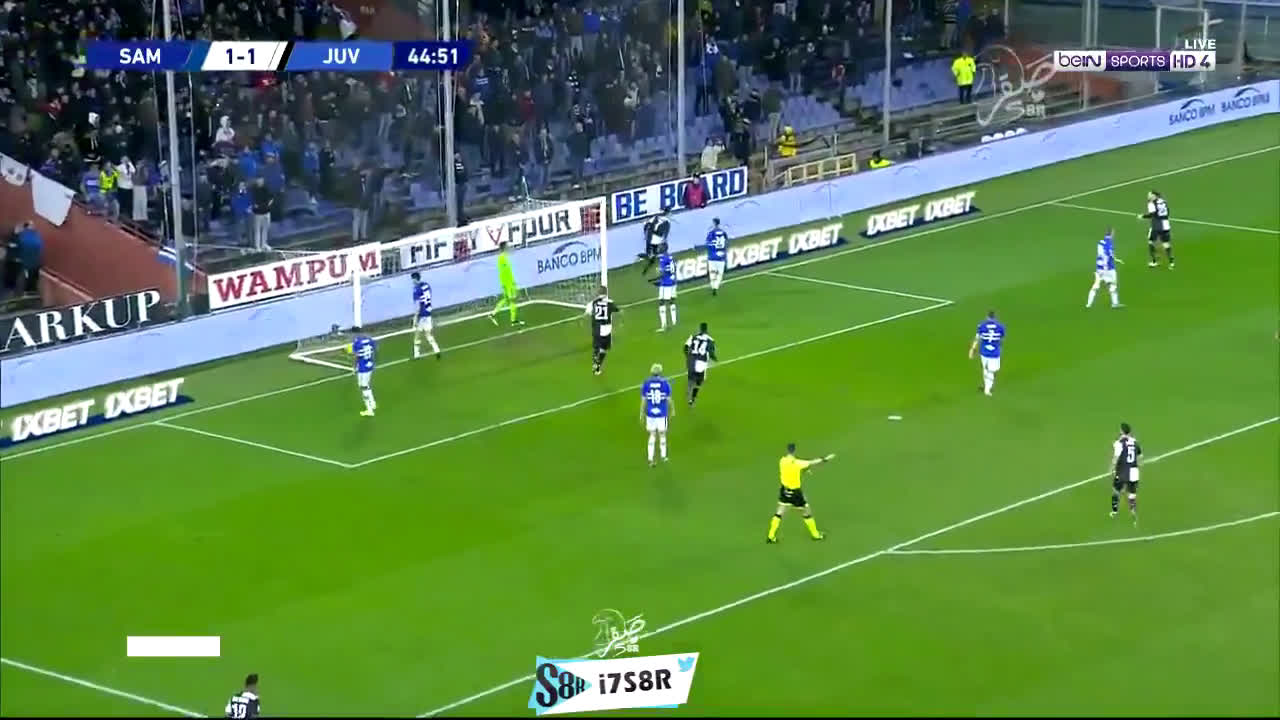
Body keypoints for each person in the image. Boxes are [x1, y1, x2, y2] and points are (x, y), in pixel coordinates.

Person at [767, 443, 834, 543]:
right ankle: (815, 535)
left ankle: (771, 536)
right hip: (795, 493)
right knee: (807, 512)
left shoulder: (782, 461)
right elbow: (812, 462)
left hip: (784, 490)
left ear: (787, 450)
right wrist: (825, 459)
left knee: (779, 512)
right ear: (794, 451)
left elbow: (793, 470)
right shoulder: (798, 463)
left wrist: (805, 470)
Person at [640, 363, 673, 466]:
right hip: (662, 413)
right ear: (660, 372)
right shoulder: (665, 383)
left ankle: (650, 458)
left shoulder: (646, 383)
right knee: (662, 434)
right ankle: (664, 456)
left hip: (650, 414)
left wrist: (641, 413)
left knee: (652, 434)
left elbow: (643, 400)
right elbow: (669, 399)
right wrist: (672, 409)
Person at [968, 310, 1005, 397]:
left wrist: (972, 349)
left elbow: (977, 339)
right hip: (995, 352)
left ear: (987, 317)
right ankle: (987, 389)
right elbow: (1001, 339)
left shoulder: (981, 326)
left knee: (986, 369)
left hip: (984, 351)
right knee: (992, 371)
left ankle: (987, 386)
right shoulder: (1001, 327)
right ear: (995, 317)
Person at [1111, 422, 1142, 523]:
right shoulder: (1135, 441)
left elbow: (1116, 458)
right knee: (1132, 494)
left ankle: (1114, 511)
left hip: (1122, 471)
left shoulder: (1119, 443)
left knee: (1116, 491)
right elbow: (1140, 456)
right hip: (1134, 471)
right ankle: (1133, 512)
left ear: (1121, 431)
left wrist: (1112, 468)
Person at [586, 284, 620, 375]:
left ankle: (595, 364)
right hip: (606, 329)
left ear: (598, 293)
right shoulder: (610, 302)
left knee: (596, 348)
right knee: (603, 349)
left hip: (596, 328)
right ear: (606, 293)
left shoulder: (592, 303)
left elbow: (588, 313)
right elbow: (617, 310)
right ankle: (598, 366)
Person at [489, 241, 524, 326]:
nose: (509, 248)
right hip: (508, 283)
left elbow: (505, 271)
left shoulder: (502, 257)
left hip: (506, 282)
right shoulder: (502, 258)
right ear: (504, 248)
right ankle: (513, 320)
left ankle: (493, 314)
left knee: (506, 300)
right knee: (512, 300)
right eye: (508, 246)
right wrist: (510, 283)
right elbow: (505, 272)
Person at [1087, 227, 1122, 309]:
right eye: (1113, 233)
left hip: (1099, 268)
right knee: (1113, 285)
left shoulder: (1100, 242)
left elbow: (1102, 255)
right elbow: (1107, 255)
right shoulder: (1109, 244)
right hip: (1108, 269)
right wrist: (1106, 268)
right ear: (1111, 233)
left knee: (1095, 286)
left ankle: (1088, 304)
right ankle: (1115, 303)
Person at [684, 322, 717, 406]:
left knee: (691, 378)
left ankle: (689, 389)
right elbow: (711, 352)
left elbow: (685, 347)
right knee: (699, 382)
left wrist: (688, 356)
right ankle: (692, 399)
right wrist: (715, 359)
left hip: (691, 360)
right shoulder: (710, 340)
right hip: (701, 362)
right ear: (706, 329)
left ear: (700, 329)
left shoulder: (693, 337)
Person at [411, 271, 442, 360]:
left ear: (415, 279)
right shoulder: (426, 285)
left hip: (421, 315)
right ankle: (437, 350)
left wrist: (415, 317)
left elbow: (417, 305)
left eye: (412, 279)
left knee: (417, 335)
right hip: (428, 312)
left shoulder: (416, 289)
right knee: (428, 334)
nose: (412, 281)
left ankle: (416, 355)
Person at [1140, 190, 1174, 268]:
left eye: (1149, 195)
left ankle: (1154, 261)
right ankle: (1171, 262)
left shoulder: (1151, 203)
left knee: (1151, 242)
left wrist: (1142, 216)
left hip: (1157, 225)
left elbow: (1152, 214)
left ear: (1154, 195)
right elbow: (1168, 211)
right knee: (1166, 243)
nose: (1148, 196)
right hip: (1166, 224)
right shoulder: (1163, 201)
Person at [346, 333, 378, 417]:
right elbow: (375, 350)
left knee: (364, 388)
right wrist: (373, 362)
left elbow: (355, 357)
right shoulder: (370, 340)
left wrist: (354, 367)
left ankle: (369, 410)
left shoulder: (357, 343)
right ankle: (373, 403)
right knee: (364, 385)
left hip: (363, 369)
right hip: (369, 366)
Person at [656, 245, 677, 332]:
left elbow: (662, 271)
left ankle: (664, 325)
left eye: (660, 247)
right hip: (673, 281)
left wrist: (659, 272)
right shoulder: (671, 257)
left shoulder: (663, 258)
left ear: (663, 249)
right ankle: (674, 321)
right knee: (672, 300)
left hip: (666, 282)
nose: (659, 248)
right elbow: (674, 268)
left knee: (662, 302)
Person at [706, 218, 729, 295]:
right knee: (719, 274)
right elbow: (726, 242)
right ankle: (716, 286)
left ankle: (713, 286)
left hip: (712, 256)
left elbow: (708, 243)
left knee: (712, 272)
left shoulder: (711, 233)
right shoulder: (724, 232)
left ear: (714, 223)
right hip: (721, 257)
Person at [251, 178, 273, 251]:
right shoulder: (254, 190)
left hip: (266, 212)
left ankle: (264, 244)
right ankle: (257, 246)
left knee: (265, 230)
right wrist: (256, 206)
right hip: (258, 214)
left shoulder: (266, 189)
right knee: (257, 230)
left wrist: (268, 204)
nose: (260, 181)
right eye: (259, 180)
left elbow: (271, 198)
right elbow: (253, 203)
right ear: (256, 181)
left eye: (261, 180)